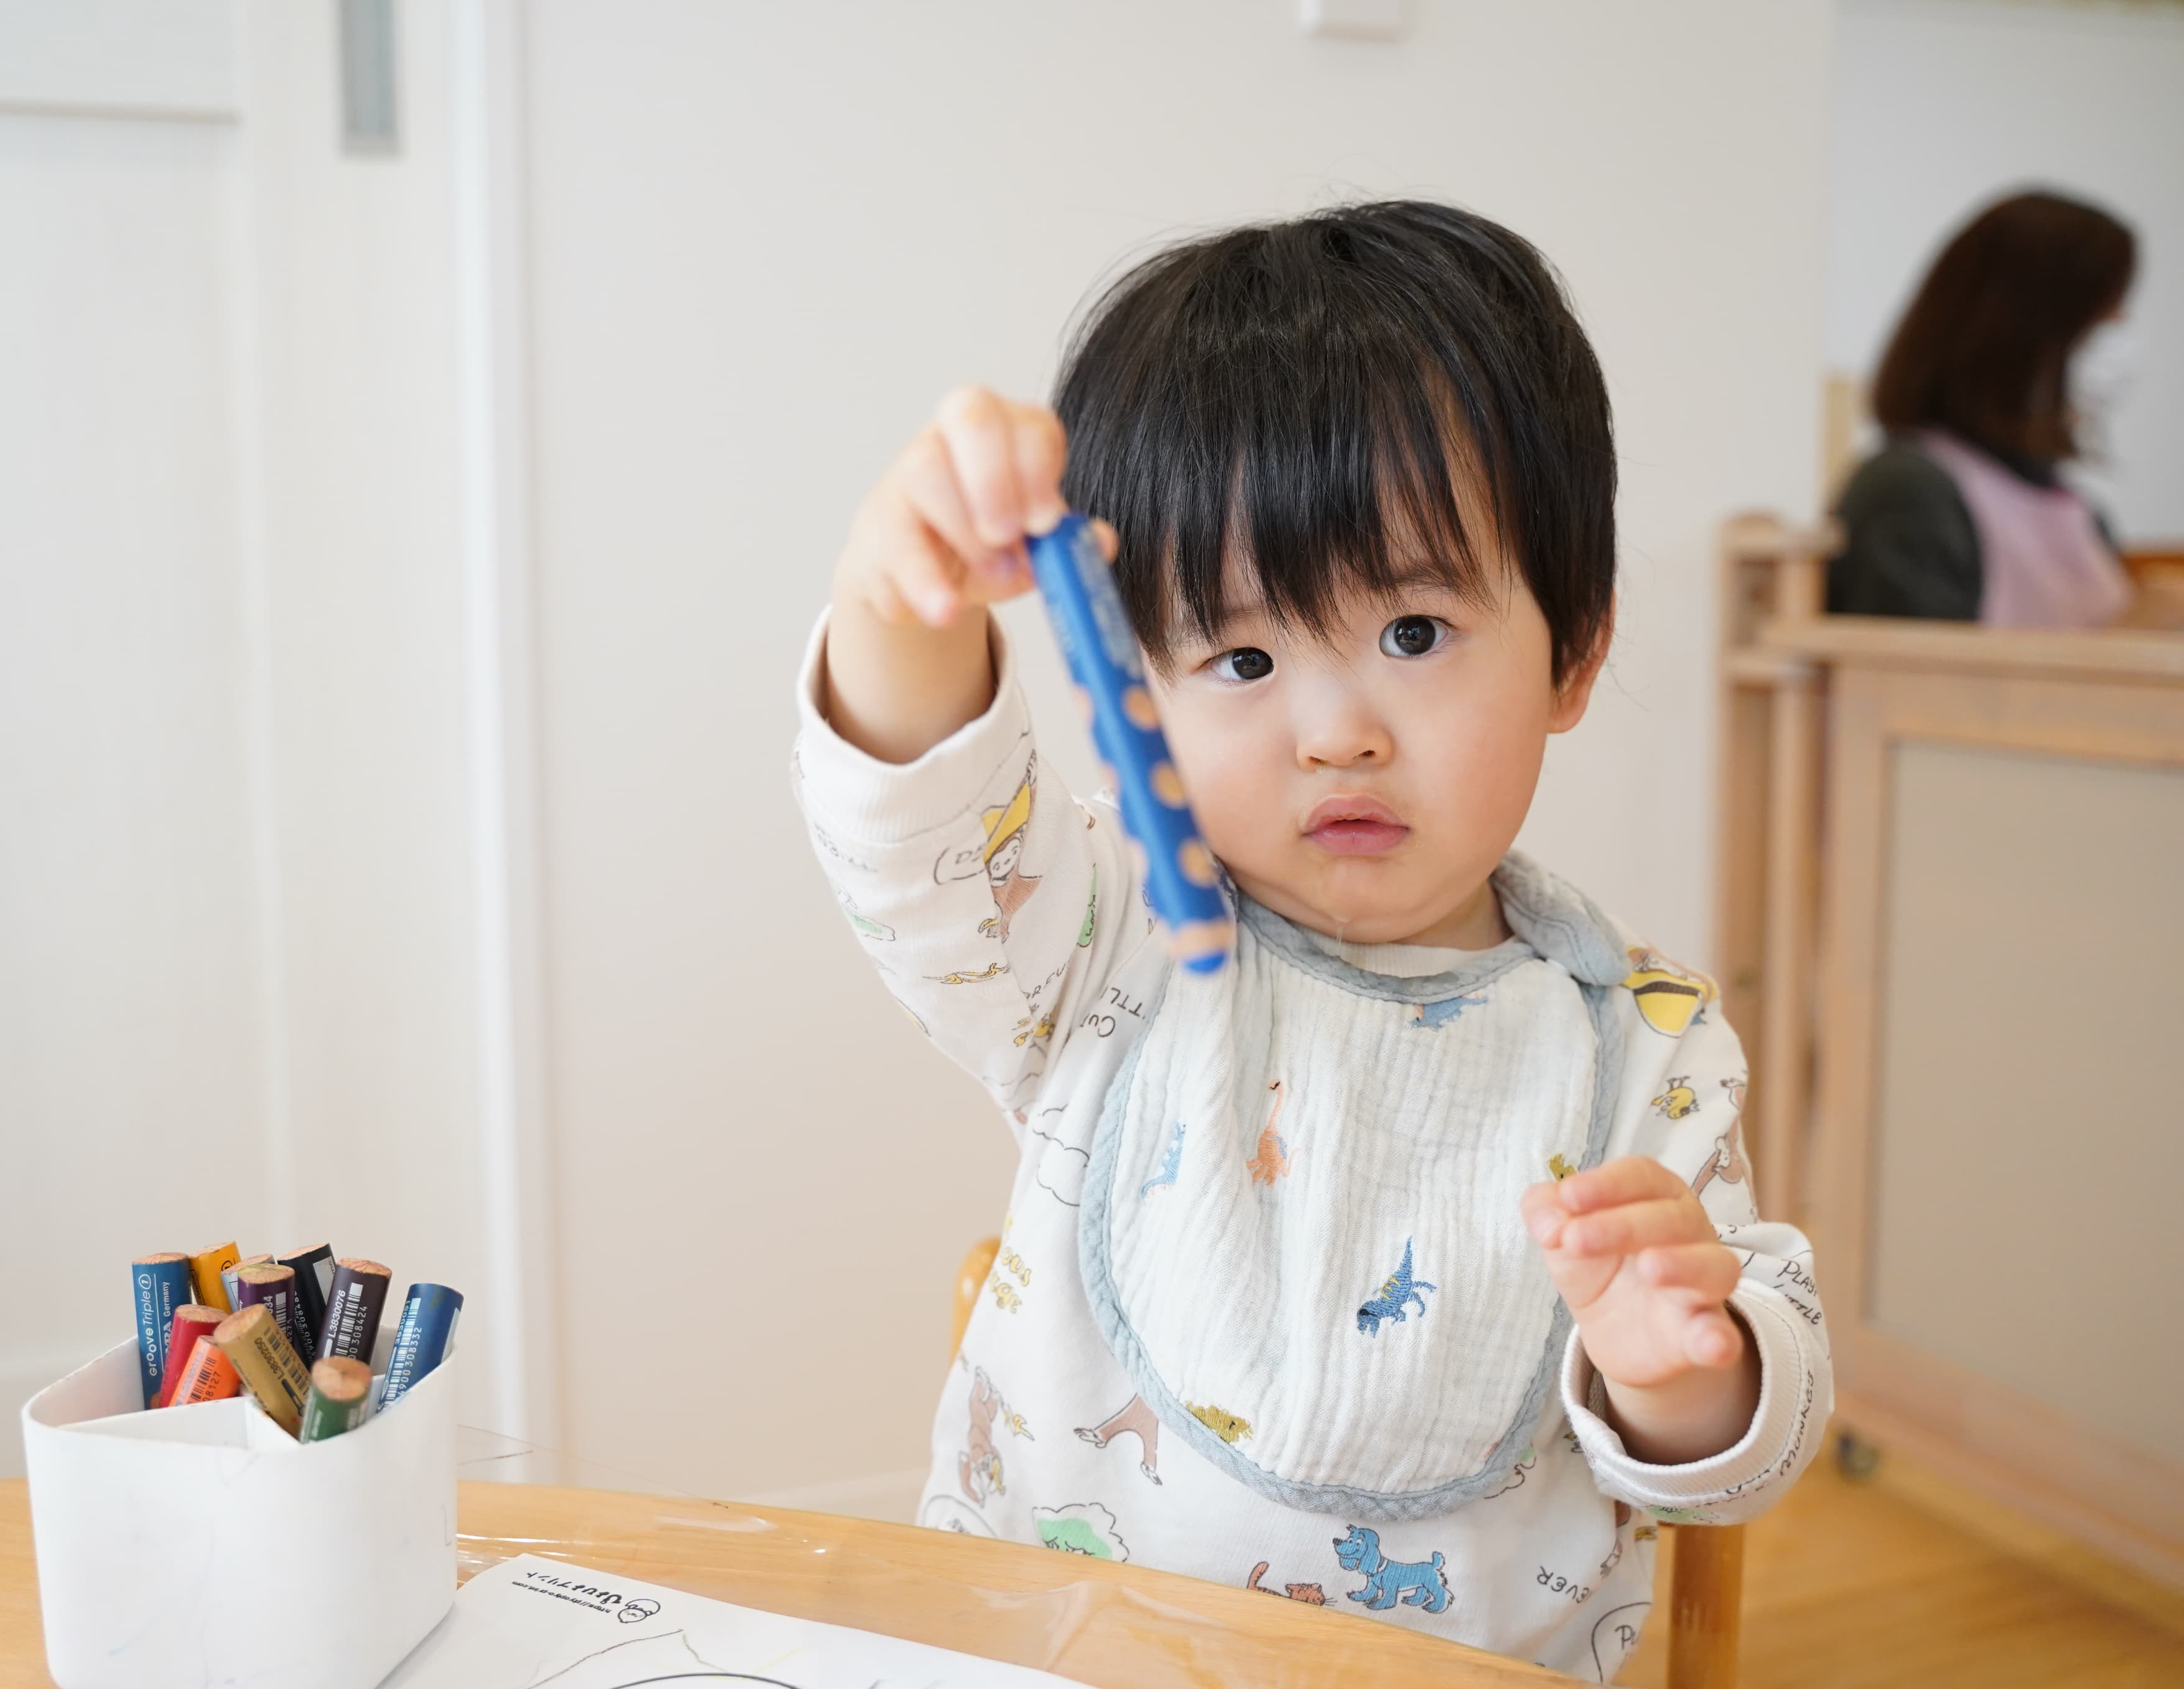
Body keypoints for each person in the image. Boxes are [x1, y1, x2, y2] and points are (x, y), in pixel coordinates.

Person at [792, 202, 1827, 1678]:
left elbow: (1734, 1460)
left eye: (1412, 633)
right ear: (1138, 689)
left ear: (1574, 649)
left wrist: (1681, 1374)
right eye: (1241, 656)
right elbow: (921, 831)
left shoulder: (1640, 1038)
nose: (1335, 733)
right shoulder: (1104, 938)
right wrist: (899, 597)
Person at [1827, 190, 2140, 626]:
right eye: (2104, 320)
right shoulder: (1908, 493)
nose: (2119, 341)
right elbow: (1914, 669)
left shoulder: (2079, 511)